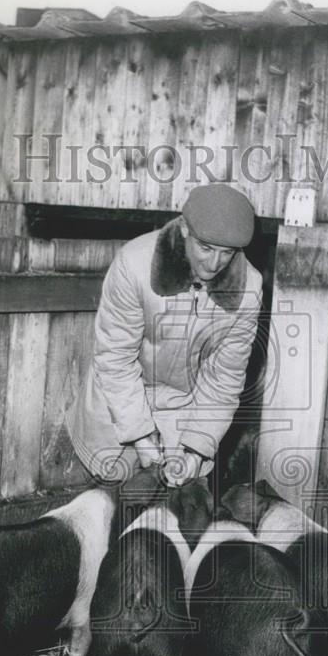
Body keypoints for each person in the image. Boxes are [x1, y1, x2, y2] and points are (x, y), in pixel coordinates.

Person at [65, 183, 263, 488]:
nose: (214, 264)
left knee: (178, 504)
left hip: (184, 408)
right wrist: (142, 438)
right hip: (118, 403)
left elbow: (224, 380)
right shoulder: (134, 265)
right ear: (184, 229)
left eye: (227, 253)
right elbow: (115, 360)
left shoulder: (248, 290)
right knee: (113, 498)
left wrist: (195, 450)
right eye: (206, 248)